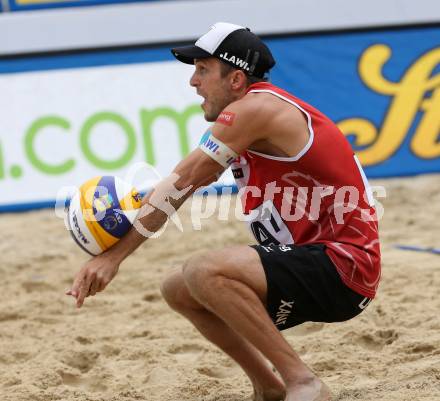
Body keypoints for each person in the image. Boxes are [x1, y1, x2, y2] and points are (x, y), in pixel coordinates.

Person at [67, 22, 381, 401]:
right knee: (178, 288)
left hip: (343, 266)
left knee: (205, 269)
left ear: (235, 79)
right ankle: (269, 386)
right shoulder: (250, 119)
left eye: (202, 70)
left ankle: (303, 381)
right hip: (317, 262)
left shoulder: (256, 108)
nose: (193, 82)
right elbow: (180, 183)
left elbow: (183, 181)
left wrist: (114, 256)